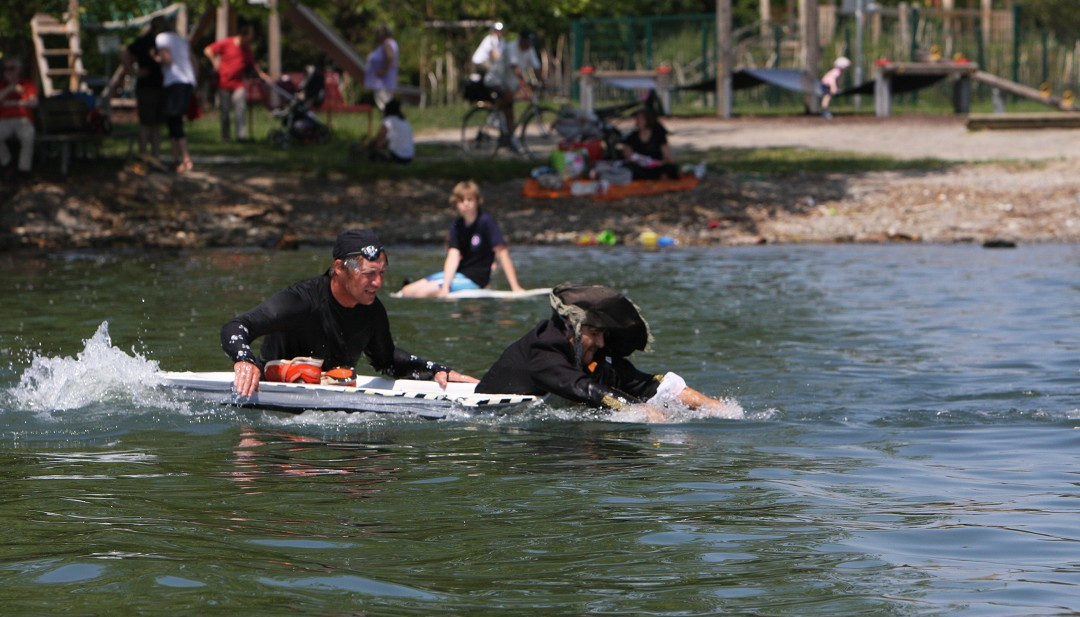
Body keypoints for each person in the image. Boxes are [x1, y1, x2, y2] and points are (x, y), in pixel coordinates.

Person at [221, 227, 477, 397]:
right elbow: (236, 327)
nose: (378, 283)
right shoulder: (301, 300)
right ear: (339, 269)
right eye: (368, 275)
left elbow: (386, 362)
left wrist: (434, 370)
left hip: (332, 412)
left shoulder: (372, 311)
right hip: (270, 401)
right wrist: (245, 360)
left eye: (381, 274)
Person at [476, 283, 743, 419]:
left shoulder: (593, 356)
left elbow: (647, 384)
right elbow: (583, 388)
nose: (601, 344)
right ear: (573, 329)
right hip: (495, 425)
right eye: (594, 334)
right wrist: (641, 411)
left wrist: (716, 408)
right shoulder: (543, 353)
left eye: (603, 334)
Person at [398, 181, 524, 298]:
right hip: (460, 275)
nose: (466, 203)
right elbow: (453, 256)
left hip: (475, 279)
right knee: (407, 291)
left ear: (477, 201)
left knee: (422, 293)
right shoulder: (457, 226)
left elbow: (502, 252)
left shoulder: (486, 222)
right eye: (461, 200)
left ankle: (482, 286)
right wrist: (446, 286)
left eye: (470, 199)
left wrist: (515, 287)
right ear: (456, 204)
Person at [204, 24, 272, 142]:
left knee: (240, 109)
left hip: (238, 84)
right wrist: (214, 62)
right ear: (243, 35)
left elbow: (253, 63)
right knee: (225, 111)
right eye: (250, 37)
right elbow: (208, 50)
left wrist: (262, 74)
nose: (251, 40)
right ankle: (226, 137)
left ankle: (241, 136)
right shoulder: (227, 43)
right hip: (224, 83)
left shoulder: (246, 49)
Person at [482, 30, 542, 154]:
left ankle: (509, 137)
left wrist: (541, 80)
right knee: (508, 99)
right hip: (496, 79)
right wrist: (526, 81)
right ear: (521, 40)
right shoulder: (511, 48)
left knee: (510, 111)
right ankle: (494, 118)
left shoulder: (529, 49)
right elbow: (515, 68)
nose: (528, 46)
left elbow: (536, 67)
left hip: (510, 84)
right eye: (526, 43)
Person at [120, 16, 166, 158]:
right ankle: (143, 156)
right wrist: (132, 72)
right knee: (146, 123)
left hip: (162, 86)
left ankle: (156, 156)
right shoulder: (145, 41)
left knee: (158, 124)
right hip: (146, 87)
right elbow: (124, 52)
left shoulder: (164, 42)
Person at [153, 24, 196, 172]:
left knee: (175, 121)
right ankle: (176, 159)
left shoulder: (161, 38)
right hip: (187, 81)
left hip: (174, 81)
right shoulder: (182, 40)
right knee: (173, 120)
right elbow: (193, 61)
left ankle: (186, 159)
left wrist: (154, 57)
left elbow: (167, 59)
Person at [0, 56, 37, 181]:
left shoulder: (27, 84)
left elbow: (33, 103)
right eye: (5, 69)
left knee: (28, 135)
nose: (8, 71)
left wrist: (15, 101)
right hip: (3, 120)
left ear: (18, 70)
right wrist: (9, 89)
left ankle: (24, 170)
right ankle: (7, 163)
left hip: (23, 119)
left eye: (11, 68)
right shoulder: (2, 86)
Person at [621, 106, 679, 180]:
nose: (637, 121)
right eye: (636, 118)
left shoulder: (658, 135)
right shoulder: (632, 136)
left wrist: (660, 163)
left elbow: (667, 155)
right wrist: (639, 159)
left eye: (640, 119)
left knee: (670, 168)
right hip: (640, 167)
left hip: (656, 166)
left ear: (647, 120)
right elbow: (627, 154)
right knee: (628, 169)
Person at [367, 98, 414, 164]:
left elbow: (379, 137)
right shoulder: (404, 121)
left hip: (398, 156)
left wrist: (368, 144)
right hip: (409, 157)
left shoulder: (389, 121)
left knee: (374, 151)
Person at [364, 25, 398, 111]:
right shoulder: (387, 44)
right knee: (384, 103)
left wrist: (384, 71)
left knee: (384, 103)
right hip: (382, 82)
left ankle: (388, 121)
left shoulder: (387, 44)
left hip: (383, 82)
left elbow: (390, 57)